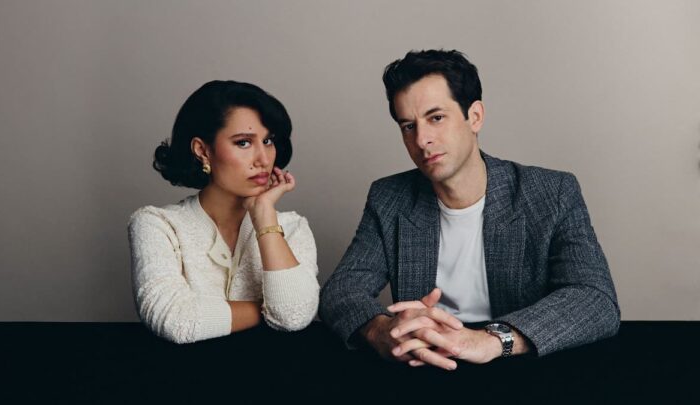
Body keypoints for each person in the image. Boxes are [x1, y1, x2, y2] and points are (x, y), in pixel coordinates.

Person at [319, 50, 620, 370]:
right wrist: (382, 331)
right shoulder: (390, 198)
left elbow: (595, 298)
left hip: (522, 368)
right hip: (426, 368)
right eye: (408, 126)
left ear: (474, 116)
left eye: (436, 118)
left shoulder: (550, 193)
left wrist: (491, 340)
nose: (422, 140)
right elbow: (341, 291)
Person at [129, 80, 319, 344]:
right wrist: (268, 309)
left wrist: (265, 216)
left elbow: (294, 316)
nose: (264, 159)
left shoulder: (293, 227)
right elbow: (177, 321)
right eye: (243, 143)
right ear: (202, 150)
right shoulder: (157, 224)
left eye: (268, 141)